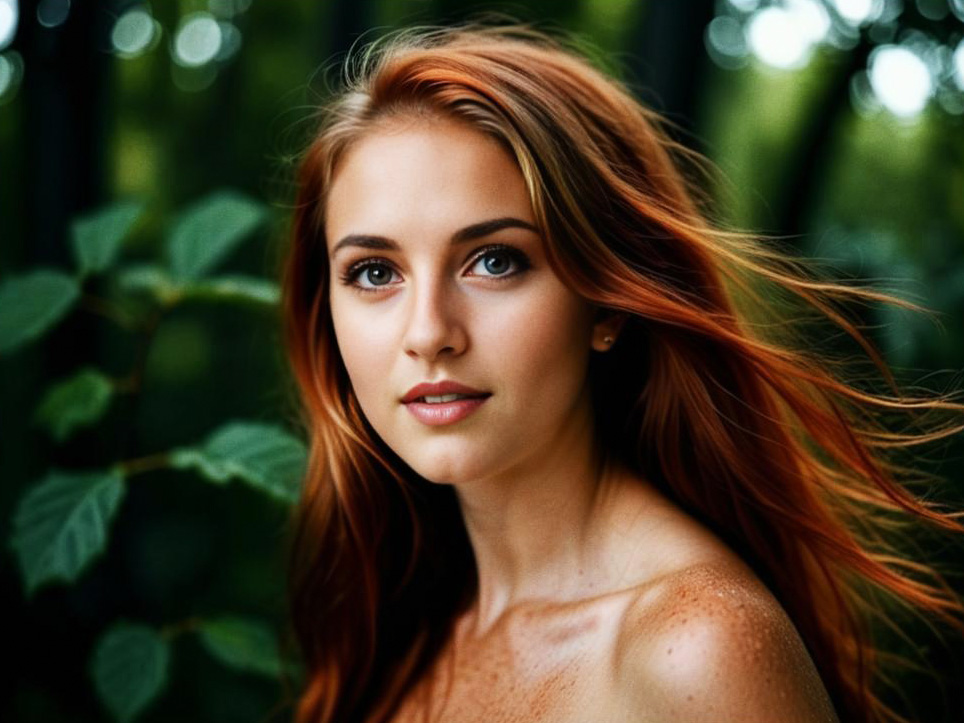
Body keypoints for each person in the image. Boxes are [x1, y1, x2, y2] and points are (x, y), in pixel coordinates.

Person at [280, 21, 964, 723]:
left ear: (605, 304)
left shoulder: (694, 648)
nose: (428, 333)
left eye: (494, 261)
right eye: (374, 272)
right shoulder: (396, 635)